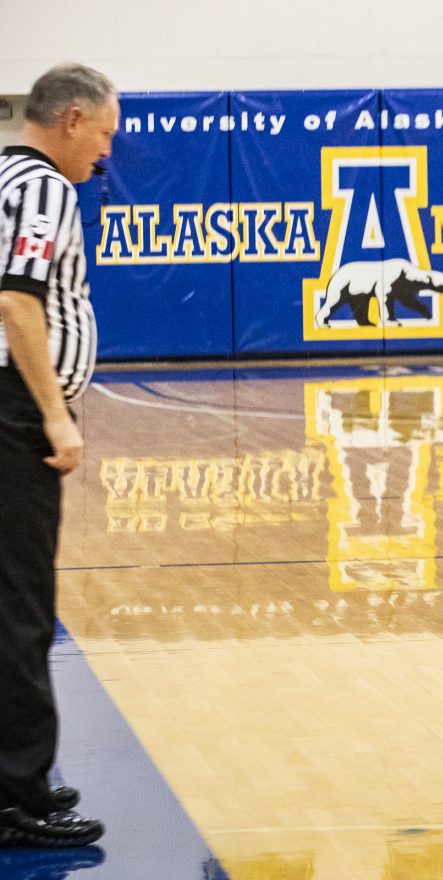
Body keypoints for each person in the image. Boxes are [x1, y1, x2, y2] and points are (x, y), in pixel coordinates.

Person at [0, 63, 118, 848]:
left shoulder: (5, 175)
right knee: (21, 603)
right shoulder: (43, 188)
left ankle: (21, 776)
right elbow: (16, 301)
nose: (105, 153)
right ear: (71, 119)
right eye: (104, 134)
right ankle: (18, 795)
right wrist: (55, 416)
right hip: (14, 413)